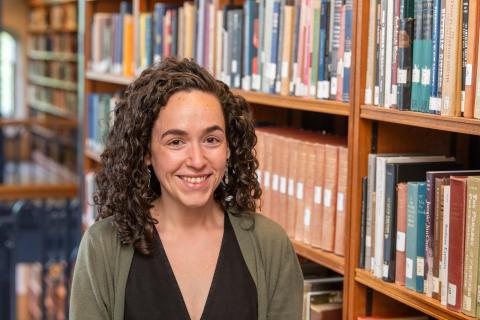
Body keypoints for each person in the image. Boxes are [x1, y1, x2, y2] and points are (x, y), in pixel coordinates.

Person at [69, 57, 303, 320]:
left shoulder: (270, 245)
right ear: (146, 151)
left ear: (228, 148)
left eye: (211, 140)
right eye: (176, 141)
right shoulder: (102, 248)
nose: (197, 160)